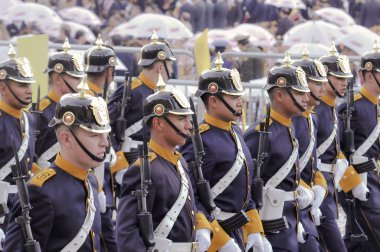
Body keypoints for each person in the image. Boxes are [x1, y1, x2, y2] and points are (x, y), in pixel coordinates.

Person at [3, 80, 110, 251]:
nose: (105, 143)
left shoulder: (91, 180)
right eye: (94, 135)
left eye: (105, 135)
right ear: (66, 139)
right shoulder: (41, 191)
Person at [180, 53, 271, 252]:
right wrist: (217, 238)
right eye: (233, 97)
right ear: (213, 100)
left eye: (240, 96)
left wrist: (255, 228)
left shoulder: (236, 131)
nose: (240, 102)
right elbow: (189, 194)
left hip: (238, 230)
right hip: (214, 234)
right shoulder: (199, 140)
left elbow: (245, 187)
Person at [116, 76, 212, 252]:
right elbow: (126, 233)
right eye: (181, 118)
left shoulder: (178, 160)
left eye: (189, 119)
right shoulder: (143, 168)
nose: (189, 125)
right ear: (158, 122)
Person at [244, 54, 314, 251]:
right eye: (299, 93)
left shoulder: (288, 129)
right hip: (270, 228)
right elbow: (246, 187)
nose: (305, 98)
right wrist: (255, 230)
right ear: (280, 95)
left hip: (289, 223)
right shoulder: (261, 134)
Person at [316, 44, 368, 252]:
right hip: (317, 188)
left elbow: (335, 153)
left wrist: (352, 182)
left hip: (330, 188)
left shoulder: (331, 108)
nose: (345, 82)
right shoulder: (317, 111)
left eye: (346, 78)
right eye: (339, 78)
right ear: (325, 77)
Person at [108, 31, 176, 180]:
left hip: (155, 154)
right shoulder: (131, 90)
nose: (171, 70)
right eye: (170, 65)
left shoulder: (163, 94)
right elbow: (107, 124)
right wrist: (118, 155)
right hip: (130, 155)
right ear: (160, 67)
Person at [337, 41, 380, 252]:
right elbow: (337, 152)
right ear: (370, 76)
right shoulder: (352, 106)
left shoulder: (375, 105)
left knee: (359, 241)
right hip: (359, 183)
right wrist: (352, 185)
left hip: (374, 180)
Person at [292, 47, 329, 251]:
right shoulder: (292, 122)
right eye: (317, 83)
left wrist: (320, 185)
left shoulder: (311, 118)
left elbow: (312, 161)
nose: (323, 88)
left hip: (309, 201)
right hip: (292, 205)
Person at [84, 34, 118, 252]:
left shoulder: (93, 97)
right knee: (104, 235)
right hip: (92, 178)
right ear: (109, 72)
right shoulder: (92, 100)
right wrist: (97, 186)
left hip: (98, 177)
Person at [0, 45, 37, 247]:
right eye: (22, 85)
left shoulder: (28, 119)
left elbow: (29, 162)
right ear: (3, 88)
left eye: (29, 84)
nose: (29, 90)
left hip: (23, 205)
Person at [35, 38, 85, 169]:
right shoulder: (41, 112)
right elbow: (31, 157)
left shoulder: (80, 107)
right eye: (75, 78)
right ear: (57, 78)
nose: (81, 82)